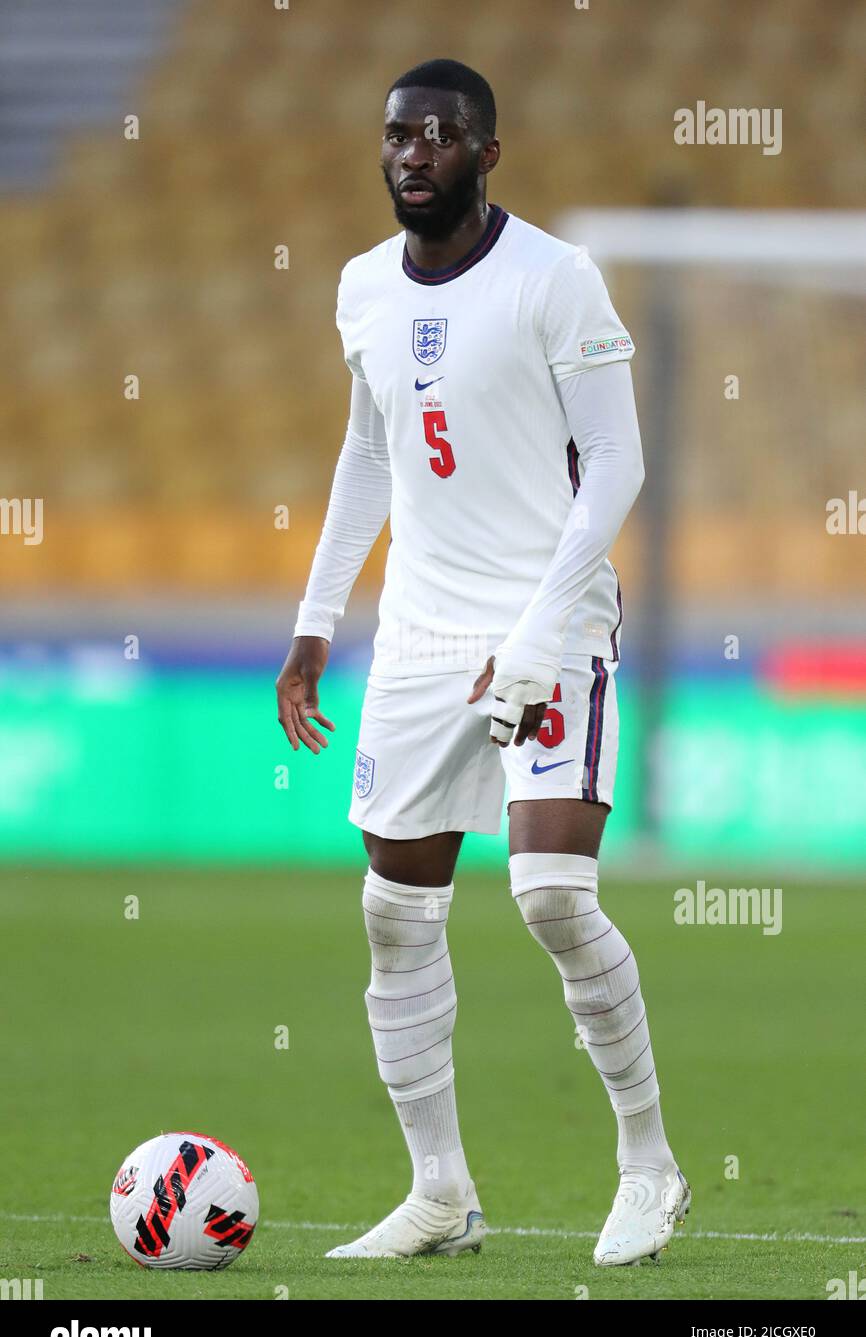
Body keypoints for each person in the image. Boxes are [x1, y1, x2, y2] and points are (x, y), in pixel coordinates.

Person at [276, 58, 689, 1267]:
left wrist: (538, 630)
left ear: (485, 155)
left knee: (553, 896)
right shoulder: (358, 288)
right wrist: (316, 619)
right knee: (394, 916)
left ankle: (647, 1164)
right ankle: (441, 1192)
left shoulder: (556, 279)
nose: (412, 154)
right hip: (416, 636)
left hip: (547, 623)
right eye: (397, 135)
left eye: (439, 136)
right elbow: (367, 458)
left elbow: (616, 464)